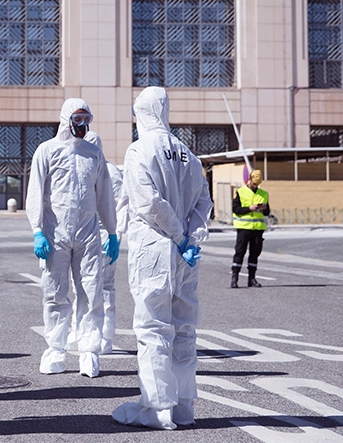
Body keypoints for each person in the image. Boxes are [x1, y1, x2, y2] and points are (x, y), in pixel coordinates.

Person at [112, 86, 213, 430]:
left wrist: (179, 235)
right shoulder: (188, 155)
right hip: (185, 256)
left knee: (153, 329)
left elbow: (148, 203)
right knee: (184, 330)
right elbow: (204, 202)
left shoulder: (139, 150)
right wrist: (191, 238)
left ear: (142, 113)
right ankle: (184, 407)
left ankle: (157, 409)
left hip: (154, 249)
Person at [26, 99, 118, 379]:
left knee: (91, 292)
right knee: (54, 292)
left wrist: (112, 231)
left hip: (88, 234)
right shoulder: (47, 151)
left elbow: (105, 197)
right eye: (78, 119)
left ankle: (88, 351)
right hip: (55, 233)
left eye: (86, 119)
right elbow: (35, 192)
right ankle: (56, 349)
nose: (82, 125)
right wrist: (37, 230)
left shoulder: (93, 154)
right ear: (66, 119)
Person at [84, 131, 128, 355]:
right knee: (90, 286)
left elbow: (122, 203)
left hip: (103, 234)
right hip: (91, 234)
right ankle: (92, 333)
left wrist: (116, 234)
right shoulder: (93, 168)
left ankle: (104, 336)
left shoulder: (108, 171)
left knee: (103, 287)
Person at [231, 169, 270, 288]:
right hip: (244, 229)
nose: (255, 186)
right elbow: (235, 209)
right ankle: (234, 278)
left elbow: (267, 212)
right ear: (249, 179)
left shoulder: (263, 194)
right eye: (254, 183)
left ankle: (251, 279)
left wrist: (264, 208)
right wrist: (249, 208)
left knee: (255, 253)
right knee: (240, 252)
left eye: (257, 184)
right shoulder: (240, 192)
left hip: (257, 229)